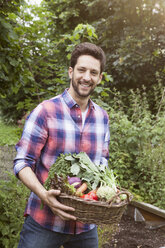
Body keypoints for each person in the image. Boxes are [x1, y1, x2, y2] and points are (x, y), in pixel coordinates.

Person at [14, 42, 110, 248]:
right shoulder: (46, 111)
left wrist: (105, 188)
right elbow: (22, 162)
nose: (87, 77)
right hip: (44, 221)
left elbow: (102, 160)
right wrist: (44, 196)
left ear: (100, 78)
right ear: (70, 71)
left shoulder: (102, 117)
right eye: (81, 70)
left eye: (94, 72)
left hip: (86, 227)